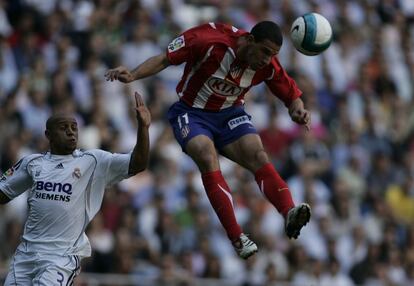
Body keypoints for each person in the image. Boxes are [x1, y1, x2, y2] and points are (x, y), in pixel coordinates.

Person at [105, 21, 311, 259]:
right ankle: (237, 237)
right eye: (265, 52)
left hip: (230, 113)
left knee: (258, 155)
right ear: (250, 41)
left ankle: (289, 212)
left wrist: (298, 109)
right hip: (191, 112)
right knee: (206, 153)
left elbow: (291, 95)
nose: (267, 59)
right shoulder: (208, 40)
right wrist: (133, 74)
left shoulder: (267, 65)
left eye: (273, 55)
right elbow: (165, 58)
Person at [0, 92, 151, 285]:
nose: (71, 132)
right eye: (64, 128)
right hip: (25, 254)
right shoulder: (32, 163)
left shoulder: (93, 161)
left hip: (60, 257)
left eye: (74, 127)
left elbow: (138, 163)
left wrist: (143, 128)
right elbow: (3, 194)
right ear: (48, 135)